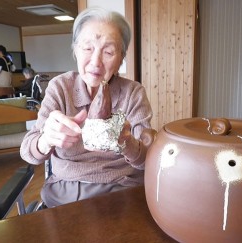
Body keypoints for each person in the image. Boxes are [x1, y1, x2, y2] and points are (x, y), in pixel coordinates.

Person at [20, 7, 154, 208]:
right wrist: (46, 139)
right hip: (65, 193)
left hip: (121, 191)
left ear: (120, 59)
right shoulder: (60, 87)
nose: (96, 62)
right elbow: (28, 151)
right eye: (88, 48)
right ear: (75, 49)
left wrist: (127, 142)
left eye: (108, 51)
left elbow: (148, 160)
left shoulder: (132, 93)